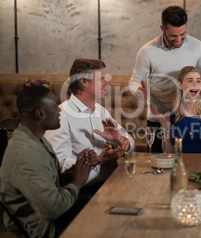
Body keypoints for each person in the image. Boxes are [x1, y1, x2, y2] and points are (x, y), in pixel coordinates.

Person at [0, 86, 97, 237]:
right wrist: (77, 182)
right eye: (54, 107)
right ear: (40, 113)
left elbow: (50, 181)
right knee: (100, 220)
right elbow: (53, 208)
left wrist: (76, 170)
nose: (59, 111)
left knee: (95, 202)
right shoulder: (26, 153)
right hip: (39, 227)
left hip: (49, 214)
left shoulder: (38, 140)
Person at [129, 6, 201, 152]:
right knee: (159, 166)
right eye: (173, 36)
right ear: (162, 29)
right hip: (161, 117)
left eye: (183, 34)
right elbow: (134, 82)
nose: (179, 39)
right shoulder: (147, 51)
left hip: (190, 116)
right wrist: (138, 92)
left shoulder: (197, 46)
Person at [45, 58, 135, 192]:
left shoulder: (100, 111)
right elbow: (59, 165)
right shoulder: (61, 115)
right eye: (102, 79)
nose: (107, 84)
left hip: (108, 185)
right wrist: (97, 160)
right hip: (79, 192)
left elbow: (131, 146)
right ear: (84, 82)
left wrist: (119, 139)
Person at [150, 66, 201, 154]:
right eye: (190, 81)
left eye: (198, 81)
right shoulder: (170, 115)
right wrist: (164, 125)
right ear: (180, 85)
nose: (195, 84)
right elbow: (168, 152)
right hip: (180, 165)